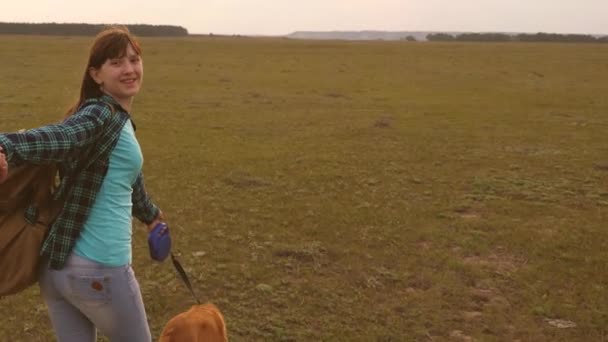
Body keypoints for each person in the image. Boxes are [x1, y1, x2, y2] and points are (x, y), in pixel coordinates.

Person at [0, 26, 163, 342]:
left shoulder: (117, 121)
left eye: (134, 59)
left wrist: (152, 216)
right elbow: (62, 137)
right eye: (116, 63)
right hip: (99, 270)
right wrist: (6, 145)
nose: (129, 69)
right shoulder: (99, 115)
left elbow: (129, 182)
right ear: (96, 74)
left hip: (57, 269)